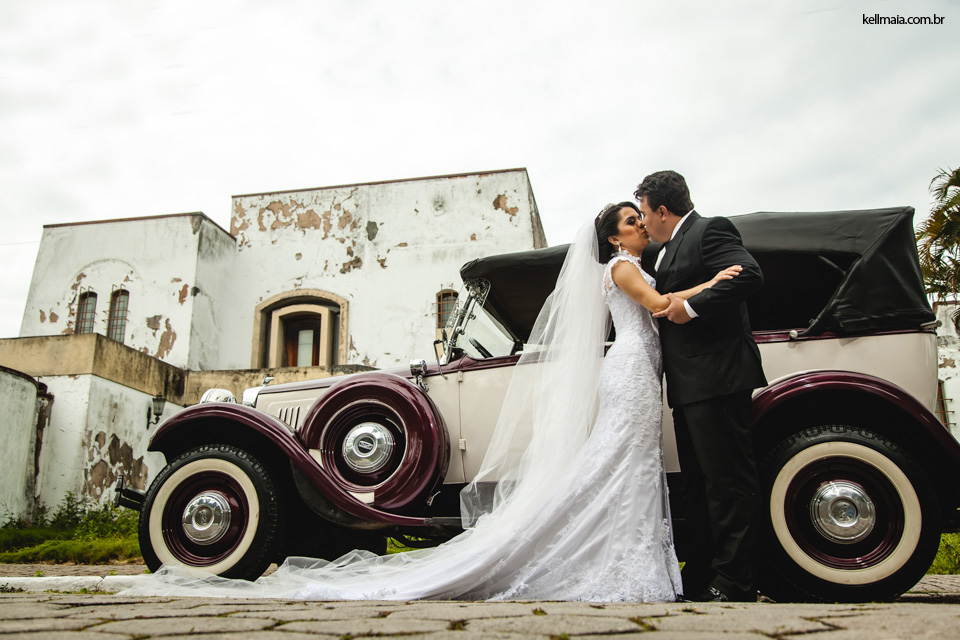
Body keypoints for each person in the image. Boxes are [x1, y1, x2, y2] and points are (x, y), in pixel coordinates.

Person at [120, 204, 738, 602]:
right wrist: (709, 286)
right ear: (613, 234)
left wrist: (708, 286)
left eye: (639, 218)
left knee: (620, 472)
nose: (637, 225)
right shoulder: (622, 271)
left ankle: (625, 564)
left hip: (635, 371)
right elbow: (658, 307)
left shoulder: (630, 269)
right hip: (631, 371)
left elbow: (660, 307)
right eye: (629, 220)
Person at [635, 170, 767, 603]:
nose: (642, 222)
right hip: (689, 384)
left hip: (719, 376)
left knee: (728, 483)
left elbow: (748, 275)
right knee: (699, 484)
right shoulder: (664, 250)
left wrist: (690, 307)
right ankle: (704, 575)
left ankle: (736, 581)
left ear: (663, 210)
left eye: (644, 213)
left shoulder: (710, 230)